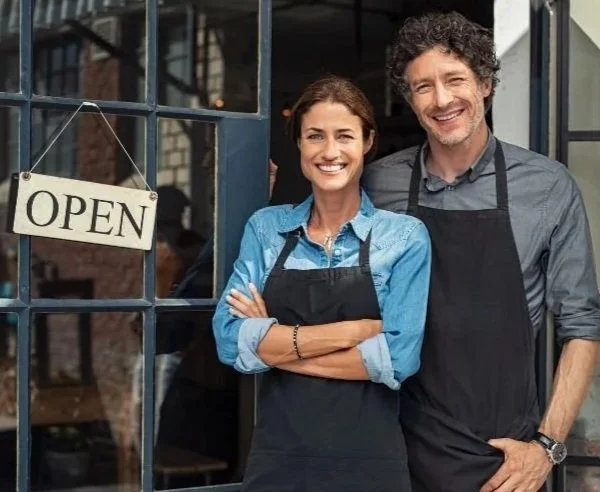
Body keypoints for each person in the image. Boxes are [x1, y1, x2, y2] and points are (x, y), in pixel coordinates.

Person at [361, 11, 600, 492]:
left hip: (499, 460)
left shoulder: (547, 186)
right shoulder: (376, 183)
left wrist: (547, 446)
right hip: (389, 444)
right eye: (423, 86)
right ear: (409, 99)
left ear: (486, 84)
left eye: (455, 80)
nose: (442, 99)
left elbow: (582, 326)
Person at [212, 75, 431, 492]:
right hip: (279, 457)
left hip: (370, 462)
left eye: (344, 136)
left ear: (367, 142)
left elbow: (398, 359)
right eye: (315, 136)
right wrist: (353, 332)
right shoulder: (266, 230)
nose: (330, 152)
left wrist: (274, 347)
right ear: (299, 144)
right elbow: (228, 339)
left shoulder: (403, 237)